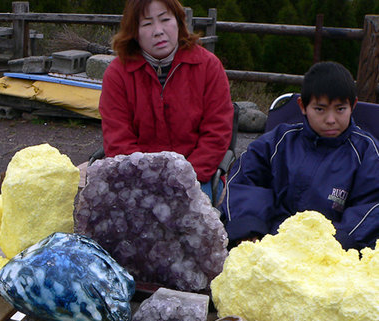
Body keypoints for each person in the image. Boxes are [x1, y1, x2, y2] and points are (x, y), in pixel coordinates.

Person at [221, 61, 379, 250]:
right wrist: (249, 228)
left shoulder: (367, 153)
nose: (330, 120)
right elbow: (246, 182)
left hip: (332, 250)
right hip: (270, 239)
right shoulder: (278, 142)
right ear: (303, 106)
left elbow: (371, 207)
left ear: (352, 106)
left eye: (340, 109)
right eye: (320, 109)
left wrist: (338, 243)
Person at [99, 0, 234, 200]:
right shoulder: (117, 74)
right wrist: (149, 183)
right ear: (134, 32)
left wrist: (183, 179)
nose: (158, 31)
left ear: (179, 22)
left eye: (165, 19)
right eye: (147, 24)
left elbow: (217, 133)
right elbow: (118, 140)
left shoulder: (208, 67)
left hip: (194, 179)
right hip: (136, 181)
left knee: (185, 224)